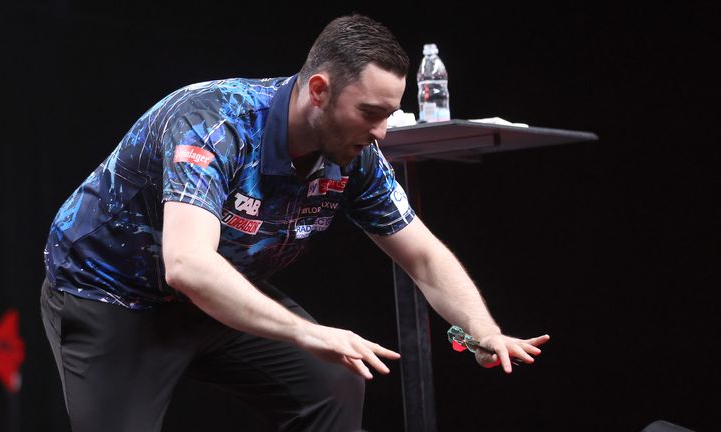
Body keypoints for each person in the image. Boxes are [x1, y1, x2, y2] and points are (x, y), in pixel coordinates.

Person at [40, 13, 549, 432]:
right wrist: (310, 332)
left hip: (218, 292)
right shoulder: (216, 123)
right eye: (370, 112)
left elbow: (424, 256)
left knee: (334, 379)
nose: (382, 133)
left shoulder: (357, 155)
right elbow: (188, 265)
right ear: (320, 91)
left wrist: (483, 332)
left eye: (390, 115)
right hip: (114, 296)